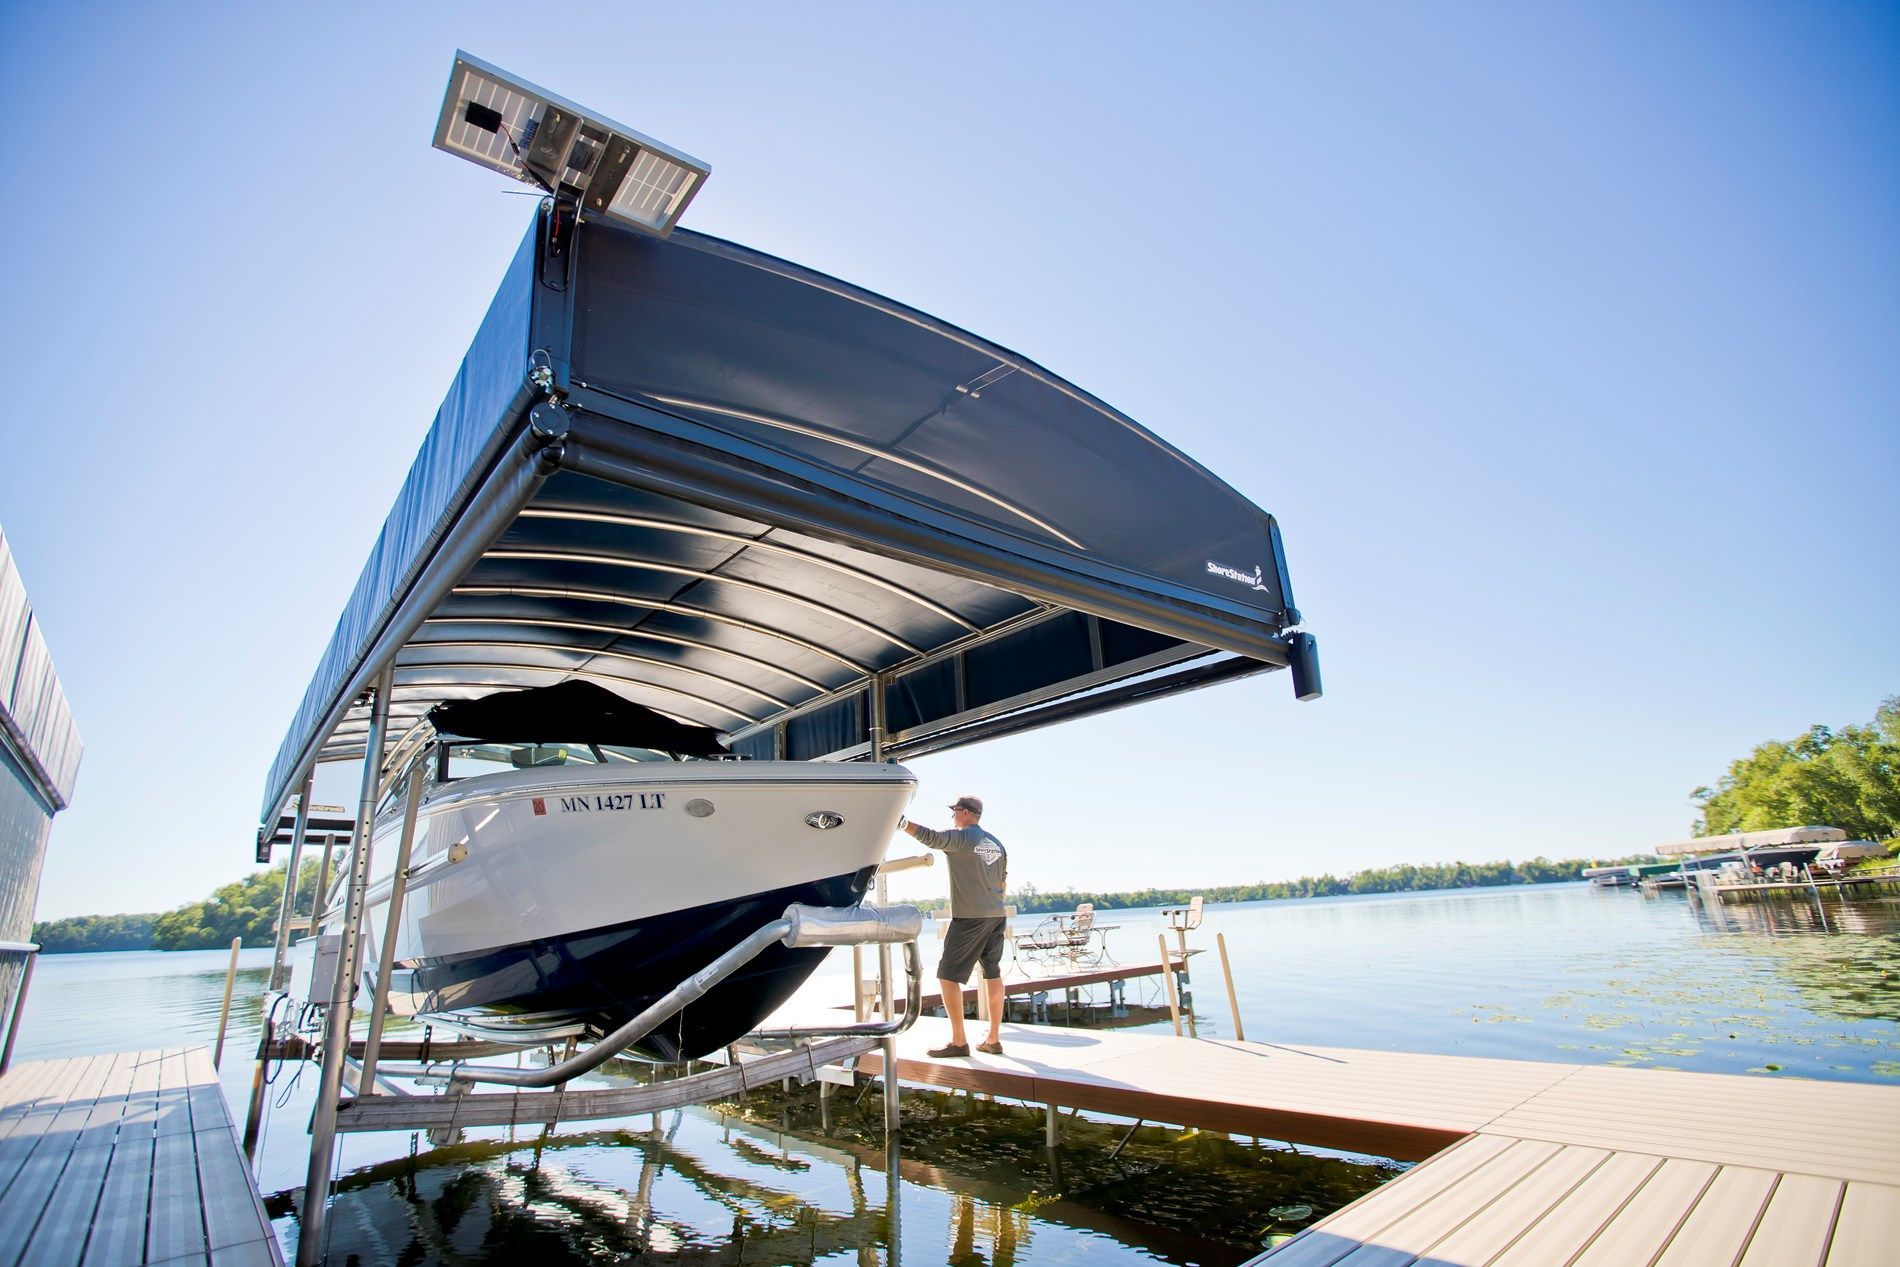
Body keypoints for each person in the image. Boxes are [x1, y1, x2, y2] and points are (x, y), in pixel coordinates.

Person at [896, 794, 1008, 1057]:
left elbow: (932, 837)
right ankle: (993, 1039)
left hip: (970, 918)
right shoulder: (996, 843)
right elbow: (1002, 883)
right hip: (996, 915)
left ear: (966, 813)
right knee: (993, 972)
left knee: (947, 976)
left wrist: (901, 823)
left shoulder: (963, 838)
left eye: (955, 811)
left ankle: (959, 1042)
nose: (953, 816)